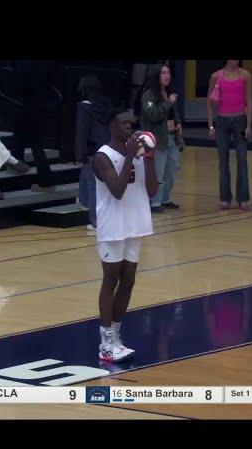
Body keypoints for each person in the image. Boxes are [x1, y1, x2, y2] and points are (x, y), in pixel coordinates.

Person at [92, 108, 158, 362]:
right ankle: (105, 343)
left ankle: (116, 336)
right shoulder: (102, 157)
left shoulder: (139, 155)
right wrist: (131, 157)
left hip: (135, 222)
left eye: (131, 124)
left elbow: (152, 190)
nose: (129, 128)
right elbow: (117, 190)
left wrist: (149, 157)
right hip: (112, 225)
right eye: (123, 124)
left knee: (128, 279)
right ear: (111, 126)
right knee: (111, 279)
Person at [207, 60, 252, 210]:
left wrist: (249, 125)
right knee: (223, 160)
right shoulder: (216, 76)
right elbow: (209, 102)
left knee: (242, 158)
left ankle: (243, 198)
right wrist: (211, 125)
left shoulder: (245, 75)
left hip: (240, 120)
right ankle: (225, 197)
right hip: (222, 121)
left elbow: (250, 101)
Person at [140, 64, 182, 213]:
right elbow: (153, 114)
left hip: (171, 138)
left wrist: (178, 124)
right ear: (156, 76)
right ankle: (155, 202)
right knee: (158, 171)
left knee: (172, 170)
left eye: (168, 73)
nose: (167, 76)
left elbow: (174, 114)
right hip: (157, 139)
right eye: (163, 73)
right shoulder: (149, 95)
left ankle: (165, 198)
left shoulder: (169, 93)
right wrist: (168, 103)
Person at [74, 75, 111, 231]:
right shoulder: (106, 105)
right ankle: (82, 200)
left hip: (92, 150)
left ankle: (96, 222)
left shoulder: (84, 107)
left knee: (93, 186)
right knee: (92, 181)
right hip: (108, 148)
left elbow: (82, 132)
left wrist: (79, 154)